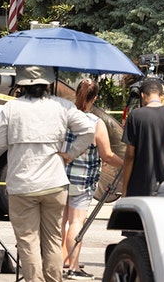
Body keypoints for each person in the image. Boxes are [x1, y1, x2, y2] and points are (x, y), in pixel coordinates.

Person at [0, 65, 95, 282]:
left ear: (22, 85)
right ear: (48, 84)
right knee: (53, 240)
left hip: (22, 183)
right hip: (55, 182)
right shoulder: (62, 106)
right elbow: (88, 130)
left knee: (28, 242)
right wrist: (70, 154)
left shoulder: (11, 108)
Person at [60, 79, 123, 280]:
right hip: (83, 179)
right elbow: (106, 155)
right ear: (95, 98)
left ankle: (60, 260)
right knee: (77, 222)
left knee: (60, 222)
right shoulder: (96, 123)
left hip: (60, 175)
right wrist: (126, 164)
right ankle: (74, 267)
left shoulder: (65, 116)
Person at [121, 78, 164, 197]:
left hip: (138, 186)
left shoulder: (135, 116)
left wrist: (124, 187)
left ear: (142, 95)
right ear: (161, 95)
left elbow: (130, 155)